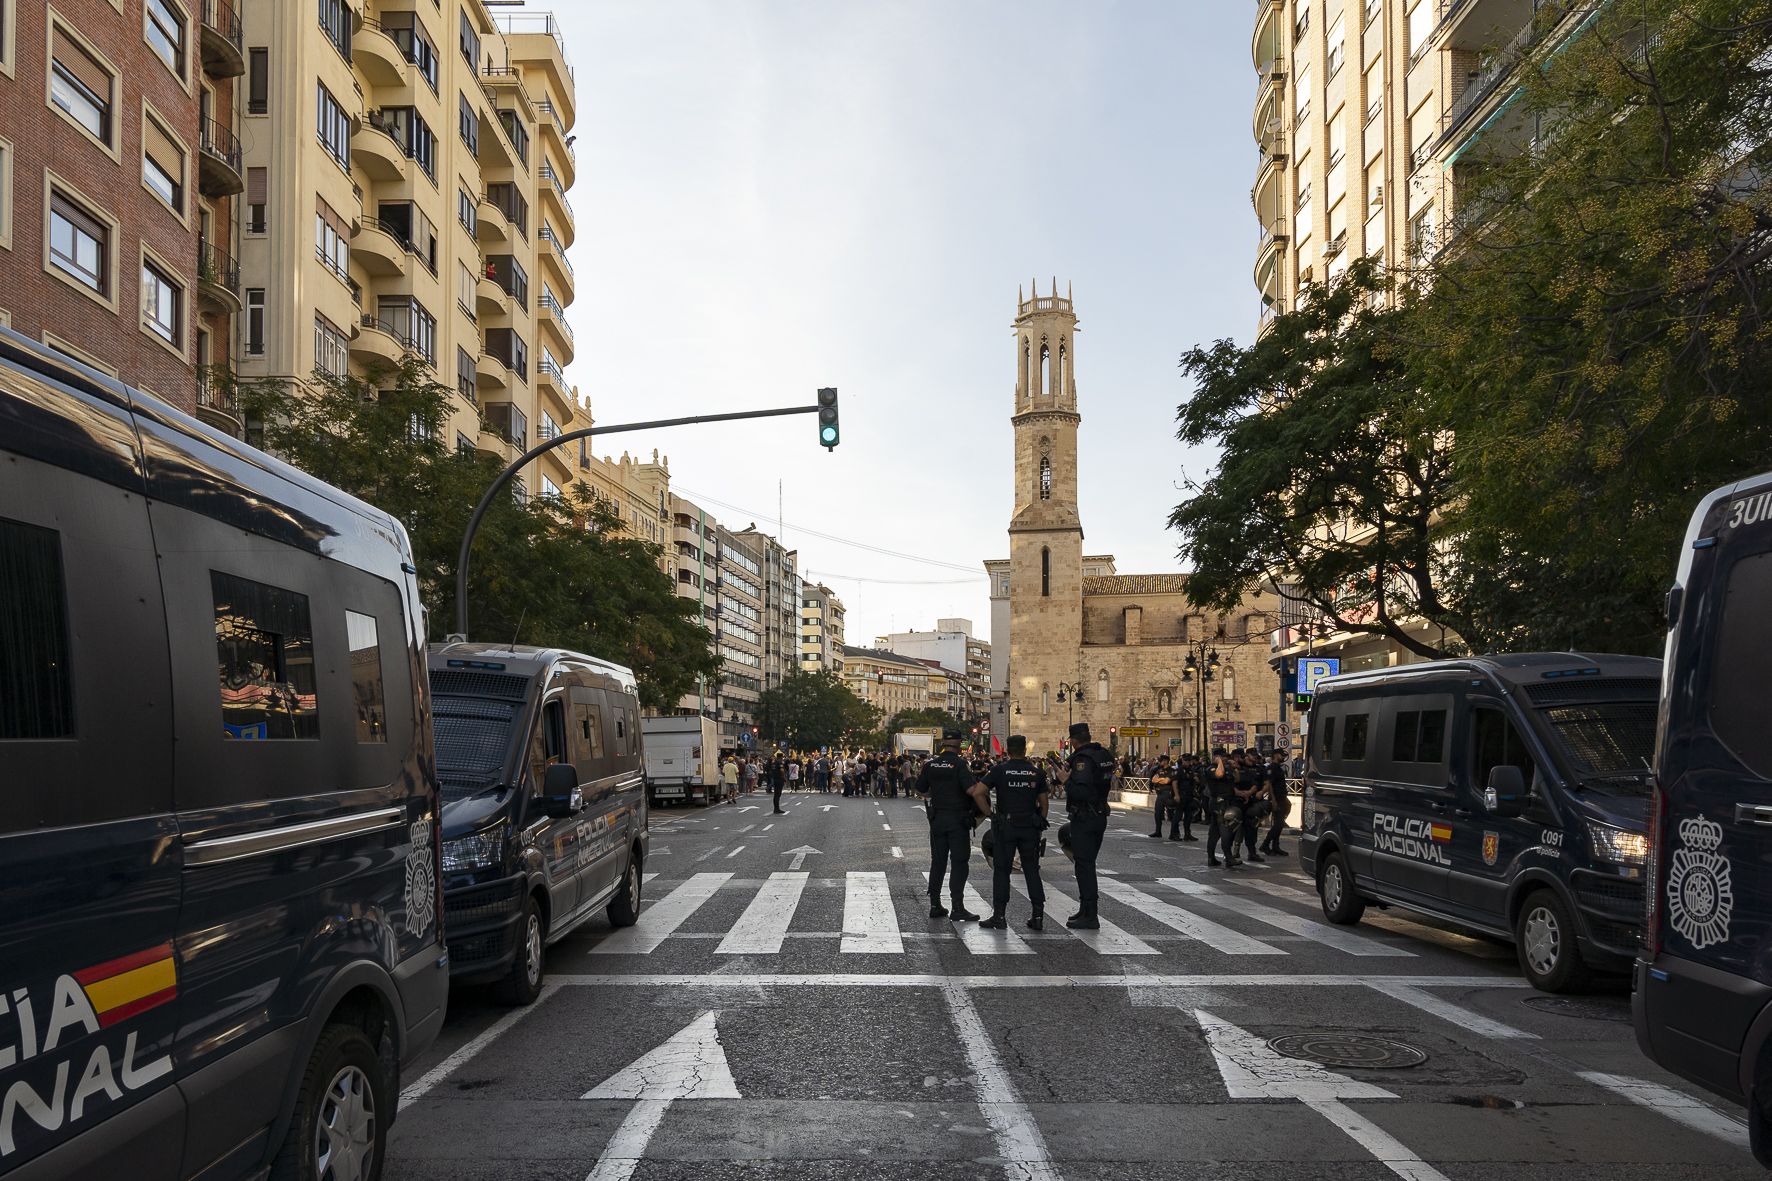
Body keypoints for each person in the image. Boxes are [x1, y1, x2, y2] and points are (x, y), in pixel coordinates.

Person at [915, 729, 989, 920]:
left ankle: (935, 904)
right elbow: (972, 790)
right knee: (959, 863)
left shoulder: (931, 765)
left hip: (937, 820)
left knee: (937, 862)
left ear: (943, 744)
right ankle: (957, 907)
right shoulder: (959, 764)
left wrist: (937, 794)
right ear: (958, 744)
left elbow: (921, 789)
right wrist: (987, 809)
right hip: (957, 820)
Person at [980, 735, 1050, 929]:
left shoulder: (999, 770)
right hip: (1029, 826)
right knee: (1031, 871)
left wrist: (990, 814)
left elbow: (977, 791)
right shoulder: (1036, 772)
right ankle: (1037, 916)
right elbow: (1044, 803)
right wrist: (1040, 821)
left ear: (1008, 750)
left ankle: (1000, 916)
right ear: (1024, 750)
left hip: (1006, 827)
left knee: (1002, 871)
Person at [1059, 722, 1115, 929]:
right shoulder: (1103, 755)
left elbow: (1081, 791)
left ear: (1073, 741)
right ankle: (1085, 909)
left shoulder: (1083, 759)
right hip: (1099, 813)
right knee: (1085, 864)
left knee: (1084, 865)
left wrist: (1066, 780)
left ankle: (1090, 915)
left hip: (1085, 816)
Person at [1205, 747, 1240, 869]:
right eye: (1223, 756)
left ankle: (1211, 858)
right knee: (1225, 829)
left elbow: (1236, 779)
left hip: (1227, 801)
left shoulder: (1227, 768)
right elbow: (1219, 775)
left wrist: (1234, 768)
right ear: (1217, 757)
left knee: (1214, 832)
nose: (1226, 758)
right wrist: (1219, 762)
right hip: (1218, 802)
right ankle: (1228, 858)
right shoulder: (1212, 768)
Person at [1260, 749, 1291, 855]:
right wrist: (1273, 800)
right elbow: (1270, 785)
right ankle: (1265, 844)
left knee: (1279, 823)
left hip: (1281, 797)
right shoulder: (1272, 768)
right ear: (1276, 755)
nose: (1282, 757)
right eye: (1281, 755)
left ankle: (1275, 845)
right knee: (1278, 824)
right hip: (1277, 798)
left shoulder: (1278, 767)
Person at [1148, 755, 1181, 840]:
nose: (1160, 762)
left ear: (1166, 761)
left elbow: (1168, 781)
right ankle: (1158, 831)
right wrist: (1161, 780)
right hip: (1160, 794)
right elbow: (1153, 780)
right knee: (1158, 814)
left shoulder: (1172, 770)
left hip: (1168, 794)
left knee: (1171, 815)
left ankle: (1174, 833)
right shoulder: (1159, 770)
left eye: (1161, 761)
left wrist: (1161, 780)